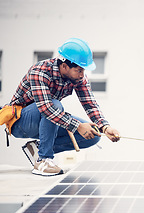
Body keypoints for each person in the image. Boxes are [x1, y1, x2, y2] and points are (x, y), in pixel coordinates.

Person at [4, 38, 120, 176]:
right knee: (55, 105)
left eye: (84, 70)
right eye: (79, 70)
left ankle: (37, 149)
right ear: (64, 66)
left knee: (93, 135)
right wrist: (77, 126)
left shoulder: (78, 78)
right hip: (21, 122)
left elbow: (90, 104)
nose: (82, 74)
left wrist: (105, 127)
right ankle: (43, 160)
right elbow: (46, 108)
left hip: (48, 121)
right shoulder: (40, 72)